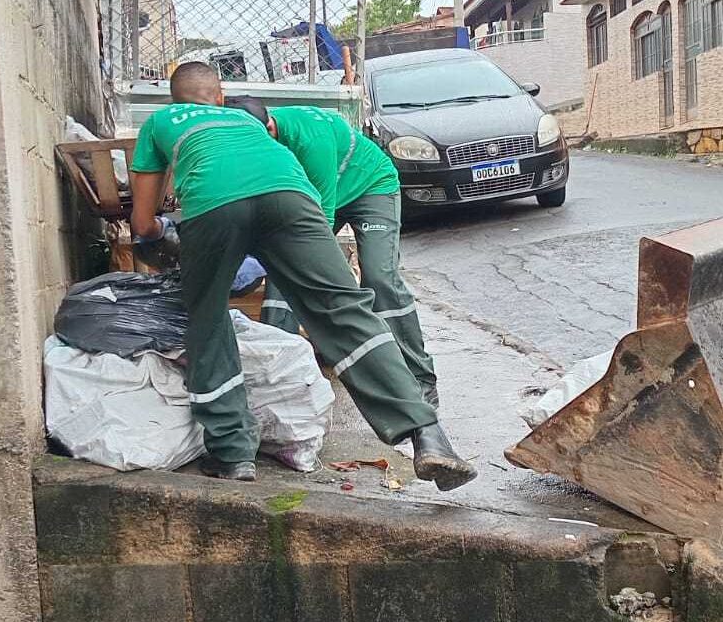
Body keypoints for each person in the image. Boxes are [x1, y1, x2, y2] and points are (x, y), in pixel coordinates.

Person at [129, 62, 476, 491]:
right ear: (219, 96)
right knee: (345, 310)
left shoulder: (160, 122)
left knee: (207, 317)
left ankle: (233, 453)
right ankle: (428, 434)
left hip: (215, 206)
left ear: (172, 98)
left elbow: (143, 224)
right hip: (292, 196)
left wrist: (166, 237)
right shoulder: (246, 119)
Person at [225, 97, 439, 408]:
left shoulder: (310, 138)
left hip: (369, 188)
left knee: (380, 278)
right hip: (317, 195)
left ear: (269, 128)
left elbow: (318, 229)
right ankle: (276, 375)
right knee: (283, 266)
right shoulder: (248, 138)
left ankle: (420, 378)